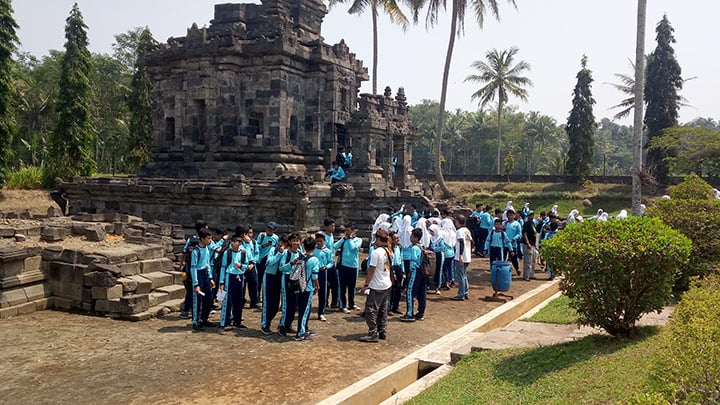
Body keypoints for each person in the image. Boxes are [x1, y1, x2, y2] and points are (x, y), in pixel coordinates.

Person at [359, 230, 393, 342]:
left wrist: (366, 285)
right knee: (383, 309)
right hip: (386, 283)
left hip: (377, 285)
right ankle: (382, 330)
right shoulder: (388, 250)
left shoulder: (376, 252)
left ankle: (372, 332)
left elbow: (371, 269)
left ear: (378, 239)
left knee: (371, 310)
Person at [217, 234, 249, 334]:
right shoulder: (228, 253)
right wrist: (221, 281)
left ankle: (237, 321)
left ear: (240, 243)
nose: (233, 243)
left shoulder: (243, 253)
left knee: (238, 300)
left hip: (239, 277)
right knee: (227, 301)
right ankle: (223, 323)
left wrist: (241, 266)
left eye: (235, 242)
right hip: (229, 276)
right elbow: (223, 267)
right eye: (232, 241)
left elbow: (246, 265)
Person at [293, 237, 320, 341]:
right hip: (308, 288)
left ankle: (304, 329)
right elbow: (314, 276)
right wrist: (317, 286)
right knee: (305, 311)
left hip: (299, 286)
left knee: (302, 310)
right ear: (315, 246)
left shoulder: (301, 257)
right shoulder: (314, 260)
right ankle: (300, 333)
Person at [180, 220, 208, 319]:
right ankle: (190, 311)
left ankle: (187, 310)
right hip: (197, 269)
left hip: (188, 268)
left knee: (190, 290)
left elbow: (184, 252)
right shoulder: (202, 242)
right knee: (194, 290)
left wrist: (182, 264)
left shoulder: (190, 239)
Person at [260, 233, 286, 335]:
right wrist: (279, 253)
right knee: (268, 303)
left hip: (279, 277)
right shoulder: (273, 250)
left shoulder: (287, 252)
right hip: (270, 276)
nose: (282, 245)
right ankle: (265, 325)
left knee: (276, 304)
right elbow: (269, 262)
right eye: (281, 243)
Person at [190, 228, 216, 330]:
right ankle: (195, 322)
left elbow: (208, 264)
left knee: (208, 298)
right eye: (208, 238)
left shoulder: (206, 249)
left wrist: (210, 278)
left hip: (205, 274)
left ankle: (204, 318)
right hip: (198, 275)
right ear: (202, 239)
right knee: (198, 300)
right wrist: (195, 284)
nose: (210, 240)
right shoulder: (195, 251)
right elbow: (193, 268)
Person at [334, 224, 362, 313]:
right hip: (343, 266)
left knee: (352, 287)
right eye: (346, 230)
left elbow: (353, 248)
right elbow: (335, 246)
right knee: (342, 287)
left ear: (354, 231)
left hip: (353, 266)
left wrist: (350, 239)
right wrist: (343, 239)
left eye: (349, 230)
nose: (347, 232)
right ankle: (342, 305)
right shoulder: (344, 240)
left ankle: (351, 303)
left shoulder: (358, 240)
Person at [278, 233, 302, 336]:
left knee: (294, 305)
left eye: (297, 241)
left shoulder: (300, 253)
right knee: (286, 304)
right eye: (293, 241)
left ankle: (289, 325)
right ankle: (282, 326)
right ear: (290, 242)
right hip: (287, 278)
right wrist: (291, 263)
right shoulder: (286, 254)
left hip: (296, 280)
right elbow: (281, 267)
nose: (295, 243)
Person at [400, 228, 424, 322]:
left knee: (410, 292)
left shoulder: (414, 248)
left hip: (415, 272)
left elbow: (413, 262)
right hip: (422, 272)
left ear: (415, 237)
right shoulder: (421, 246)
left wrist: (409, 272)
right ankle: (420, 313)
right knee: (421, 293)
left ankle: (410, 314)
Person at [255, 222, 279, 303]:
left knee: (266, 280)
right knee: (258, 280)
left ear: (274, 230)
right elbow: (255, 246)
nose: (269, 230)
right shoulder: (261, 235)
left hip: (269, 261)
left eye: (271, 229)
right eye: (268, 228)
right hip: (260, 260)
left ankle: (264, 297)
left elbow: (276, 248)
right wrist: (263, 245)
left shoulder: (276, 238)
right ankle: (256, 297)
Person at [314, 232, 333, 322]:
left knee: (322, 294)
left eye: (320, 241)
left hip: (322, 273)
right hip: (313, 273)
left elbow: (331, 262)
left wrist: (326, 267)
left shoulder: (327, 251)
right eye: (317, 241)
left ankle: (321, 312)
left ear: (324, 241)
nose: (319, 243)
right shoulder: (313, 250)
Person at [452, 215, 472, 301]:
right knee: (464, 275)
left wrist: (460, 255)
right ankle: (465, 292)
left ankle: (461, 294)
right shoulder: (467, 231)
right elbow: (471, 242)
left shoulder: (459, 231)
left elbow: (461, 243)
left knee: (460, 276)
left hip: (461, 256)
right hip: (467, 256)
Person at [388, 231, 404, 314]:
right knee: (392, 288)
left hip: (399, 268)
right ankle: (389, 307)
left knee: (398, 288)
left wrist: (403, 271)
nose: (398, 239)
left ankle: (396, 306)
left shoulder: (399, 247)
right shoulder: (389, 248)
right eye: (396, 238)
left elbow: (401, 259)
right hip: (392, 268)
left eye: (398, 238)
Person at [503, 210, 523, 275]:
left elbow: (519, 234)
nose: (510, 216)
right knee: (503, 257)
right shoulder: (504, 223)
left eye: (511, 215)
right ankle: (503, 270)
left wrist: (513, 239)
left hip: (513, 244)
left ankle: (517, 269)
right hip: (504, 244)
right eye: (509, 215)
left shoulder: (517, 224)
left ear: (514, 216)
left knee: (514, 257)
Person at [521, 211, 538, 281]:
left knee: (533, 260)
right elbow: (524, 234)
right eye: (530, 215)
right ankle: (526, 275)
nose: (532, 216)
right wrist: (527, 242)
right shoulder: (526, 224)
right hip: (528, 244)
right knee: (528, 261)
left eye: (532, 215)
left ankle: (531, 274)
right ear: (528, 216)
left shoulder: (533, 224)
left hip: (533, 244)